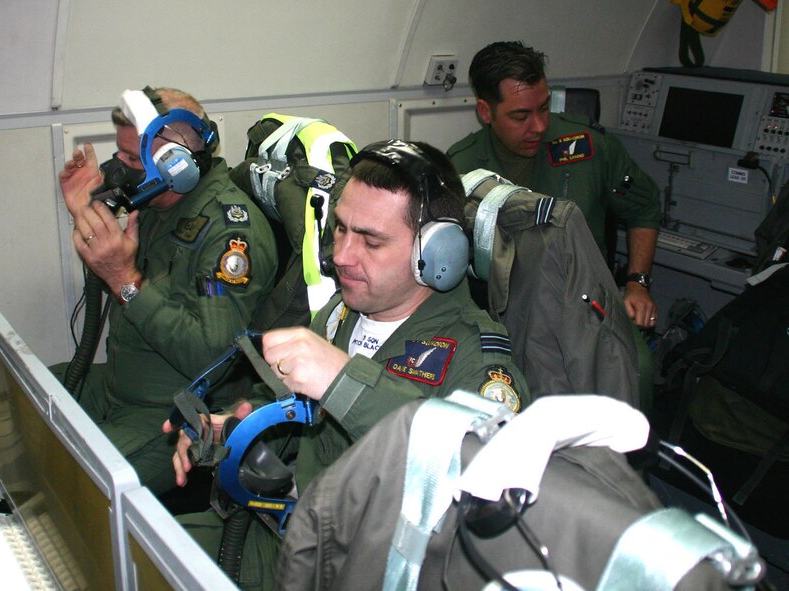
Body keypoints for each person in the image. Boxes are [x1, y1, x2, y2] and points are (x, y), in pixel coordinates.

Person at [164, 139, 531, 590]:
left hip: (373, 570)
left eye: (371, 241)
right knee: (146, 546)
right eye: (340, 229)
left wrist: (343, 381)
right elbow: (301, 423)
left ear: (438, 254)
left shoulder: (478, 356)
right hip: (290, 530)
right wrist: (236, 429)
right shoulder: (338, 313)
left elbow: (489, 480)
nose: (340, 256)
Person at [54, 86, 278, 496]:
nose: (114, 169)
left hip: (168, 413)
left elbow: (212, 354)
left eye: (128, 158)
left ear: (174, 165)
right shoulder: (158, 205)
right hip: (117, 386)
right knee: (23, 401)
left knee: (69, 486)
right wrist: (86, 212)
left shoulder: (229, 231)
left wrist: (123, 281)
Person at [447, 41, 662, 330]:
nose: (538, 126)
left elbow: (644, 208)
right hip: (502, 313)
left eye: (544, 108)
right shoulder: (464, 167)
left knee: (638, 369)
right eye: (520, 116)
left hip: (586, 305)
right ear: (486, 112)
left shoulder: (589, 146)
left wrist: (637, 284)